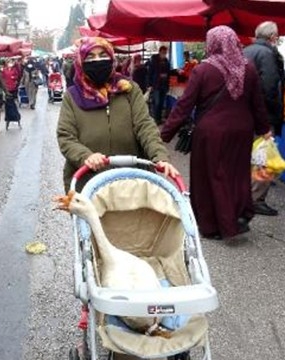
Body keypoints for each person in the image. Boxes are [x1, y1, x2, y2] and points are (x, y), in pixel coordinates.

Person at [160, 26, 271, 240]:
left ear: (213, 43)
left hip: (211, 133)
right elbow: (258, 104)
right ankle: (239, 216)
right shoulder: (248, 68)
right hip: (242, 132)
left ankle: (215, 226)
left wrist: (164, 134)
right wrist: (264, 129)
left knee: (212, 178)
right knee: (237, 175)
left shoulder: (203, 70)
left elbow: (184, 105)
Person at [57, 37, 179, 193]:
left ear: (112, 58)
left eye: (103, 54)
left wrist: (159, 156)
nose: (97, 60)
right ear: (81, 61)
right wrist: (85, 156)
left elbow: (145, 126)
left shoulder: (129, 89)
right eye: (90, 57)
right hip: (89, 183)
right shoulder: (72, 96)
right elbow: (65, 136)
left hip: (132, 180)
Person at [243, 21, 285, 216]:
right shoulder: (268, 54)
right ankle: (256, 199)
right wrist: (270, 117)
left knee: (249, 156)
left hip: (244, 113)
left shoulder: (246, 51)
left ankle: (246, 194)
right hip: (262, 116)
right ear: (273, 37)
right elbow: (270, 87)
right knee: (263, 157)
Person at [147, 46, 171, 124]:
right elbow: (150, 73)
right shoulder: (154, 60)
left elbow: (169, 72)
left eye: (165, 53)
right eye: (163, 52)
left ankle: (159, 118)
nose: (164, 54)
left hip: (164, 85)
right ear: (160, 52)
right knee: (156, 102)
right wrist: (150, 84)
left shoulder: (166, 61)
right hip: (156, 85)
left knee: (161, 102)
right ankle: (156, 118)